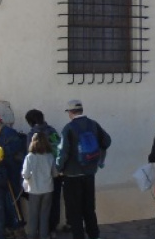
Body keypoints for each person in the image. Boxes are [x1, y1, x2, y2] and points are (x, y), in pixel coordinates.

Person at [56, 99, 111, 239]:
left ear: (70, 112)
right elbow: (107, 141)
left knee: (75, 211)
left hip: (72, 175)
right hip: (89, 173)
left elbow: (63, 151)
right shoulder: (93, 124)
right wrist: (98, 159)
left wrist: (59, 167)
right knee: (89, 208)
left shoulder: (68, 128)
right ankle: (94, 235)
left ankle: (79, 236)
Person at [25, 109, 63, 236]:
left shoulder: (32, 135)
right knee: (51, 206)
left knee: (34, 212)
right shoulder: (52, 130)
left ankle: (32, 234)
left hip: (35, 183)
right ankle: (49, 231)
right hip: (52, 178)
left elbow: (27, 163)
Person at [22, 133, 57, 239]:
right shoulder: (50, 156)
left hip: (34, 190)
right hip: (48, 189)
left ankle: (32, 235)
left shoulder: (29, 157)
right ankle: (44, 235)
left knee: (33, 215)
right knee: (45, 215)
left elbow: (25, 174)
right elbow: (55, 173)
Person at [0, 113, 27, 200]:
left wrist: (0, 153)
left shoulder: (8, 133)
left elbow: (14, 148)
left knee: (13, 196)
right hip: (6, 169)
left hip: (13, 168)